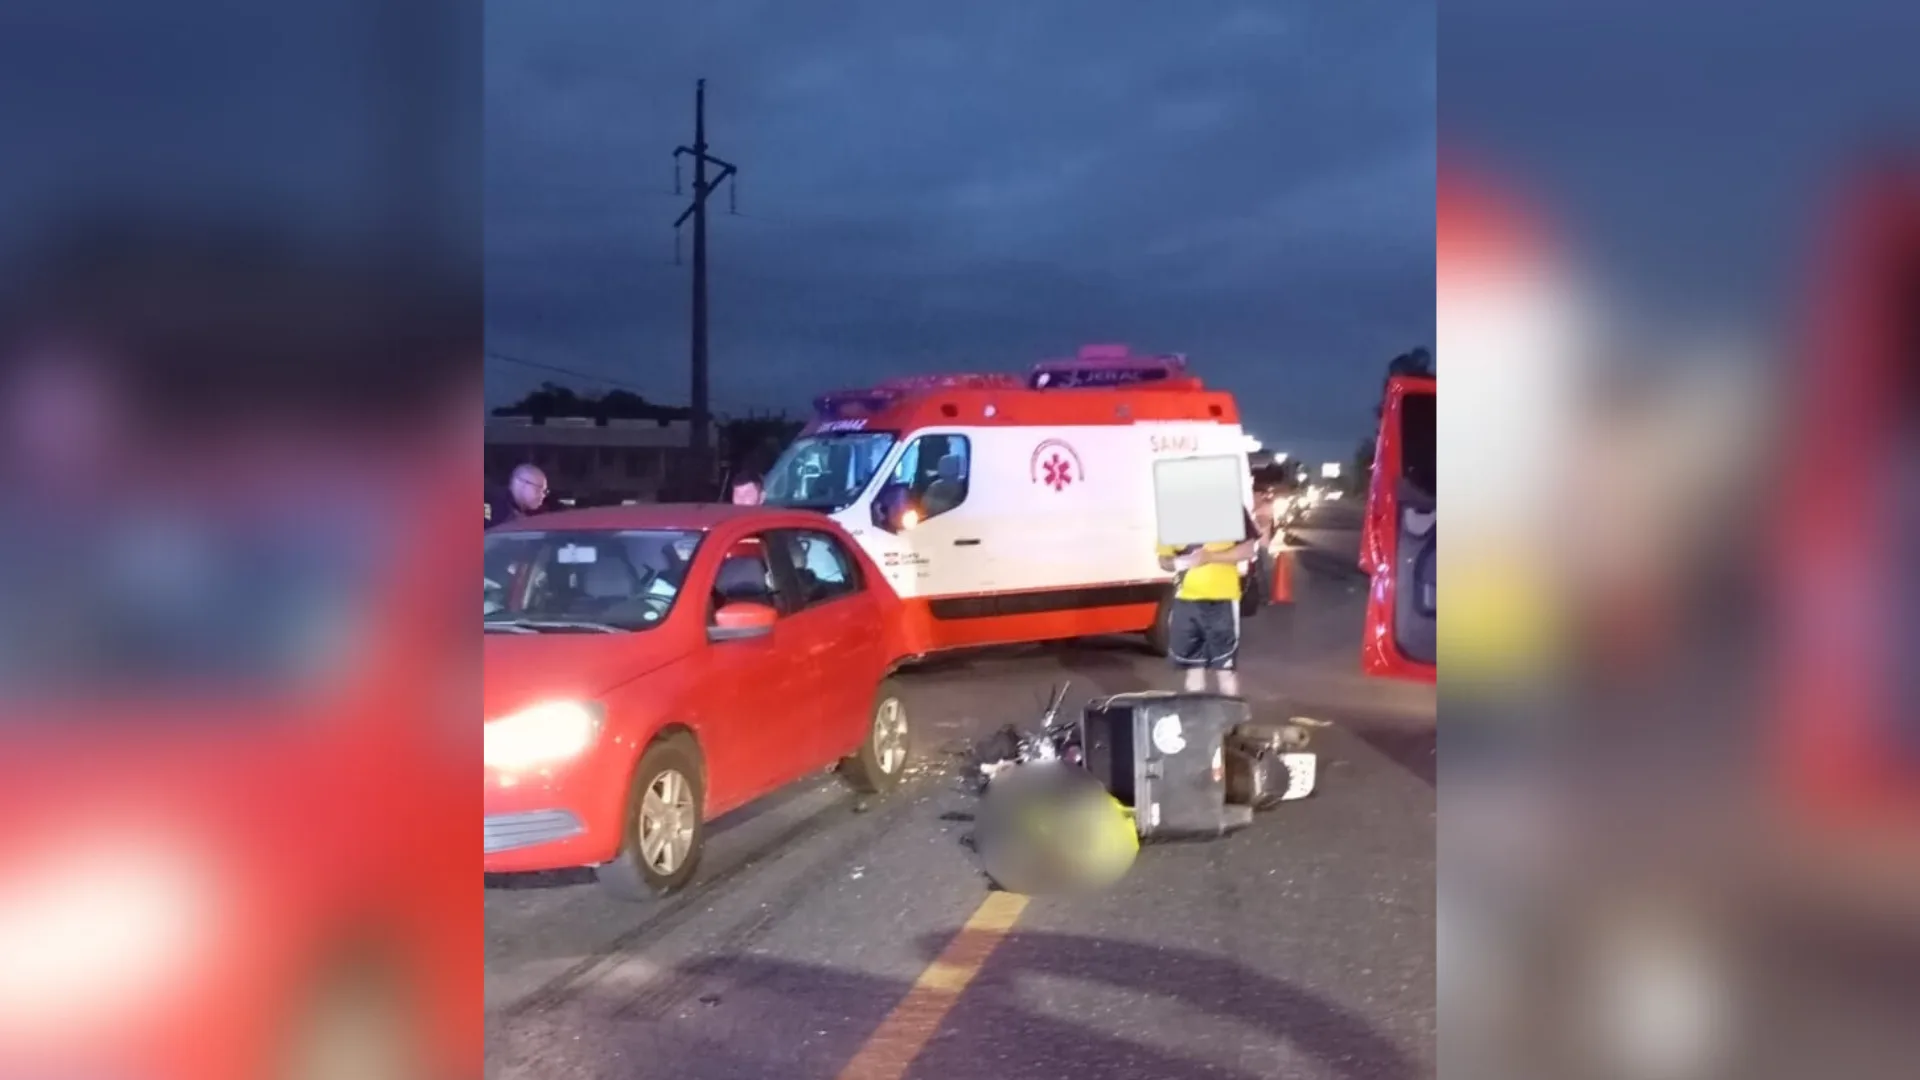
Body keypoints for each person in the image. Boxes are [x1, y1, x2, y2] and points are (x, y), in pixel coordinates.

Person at [1157, 516, 1261, 695]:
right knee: (1193, 669)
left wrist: (1211, 557)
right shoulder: (1175, 512)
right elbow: (1163, 559)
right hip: (1186, 600)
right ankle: (1198, 717)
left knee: (1225, 671)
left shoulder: (1230, 509)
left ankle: (1232, 720)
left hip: (1221, 601)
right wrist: (1178, 563)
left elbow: (1248, 550)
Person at [485, 463, 548, 528]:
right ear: (522, 484)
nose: (543, 495)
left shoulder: (519, 513)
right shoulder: (492, 504)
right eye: (538, 489)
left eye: (545, 491)